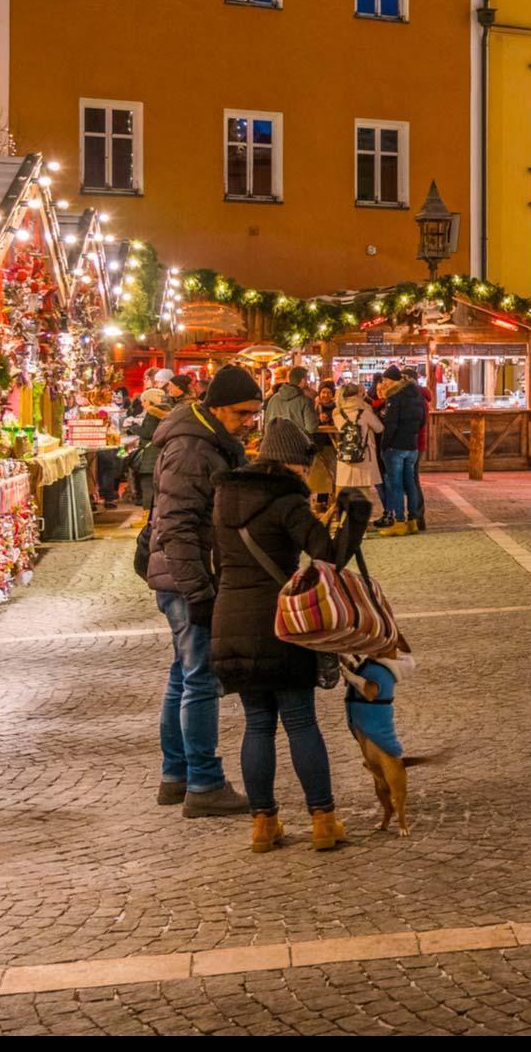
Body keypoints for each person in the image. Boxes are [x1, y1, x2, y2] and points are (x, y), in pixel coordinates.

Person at [211, 417, 358, 853]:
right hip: (281, 624)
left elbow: (216, 558)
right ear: (292, 463)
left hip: (230, 623)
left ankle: (263, 824)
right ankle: (323, 820)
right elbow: (329, 556)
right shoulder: (287, 502)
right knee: (299, 721)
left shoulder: (223, 497)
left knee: (257, 724)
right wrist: (358, 516)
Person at [143, 364, 263, 817]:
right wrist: (199, 592)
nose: (250, 421)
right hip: (187, 577)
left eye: (255, 413)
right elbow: (176, 525)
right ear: (216, 409)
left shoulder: (205, 440)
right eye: (242, 413)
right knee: (200, 677)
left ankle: (176, 776)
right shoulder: (193, 448)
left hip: (182, 574)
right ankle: (204, 783)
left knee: (183, 673)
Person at [377, 368, 428, 533]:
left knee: (395, 485)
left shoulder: (395, 396)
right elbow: (422, 421)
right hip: (411, 446)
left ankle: (399, 522)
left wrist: (384, 445)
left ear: (393, 381)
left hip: (396, 446)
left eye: (386, 381)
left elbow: (391, 424)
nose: (384, 384)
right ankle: (413, 520)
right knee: (410, 483)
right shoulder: (417, 395)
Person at [330, 380, 383, 527]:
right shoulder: (364, 412)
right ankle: (361, 527)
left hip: (345, 457)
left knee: (343, 492)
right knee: (364, 493)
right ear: (357, 395)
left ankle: (342, 524)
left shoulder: (337, 413)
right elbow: (379, 428)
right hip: (363, 457)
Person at [125, 385, 168, 509]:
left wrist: (132, 428)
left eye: (144, 401)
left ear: (151, 401)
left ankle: (146, 518)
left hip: (151, 455)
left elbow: (148, 432)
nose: (142, 404)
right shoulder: (165, 412)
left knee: (147, 486)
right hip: (159, 454)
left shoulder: (152, 413)